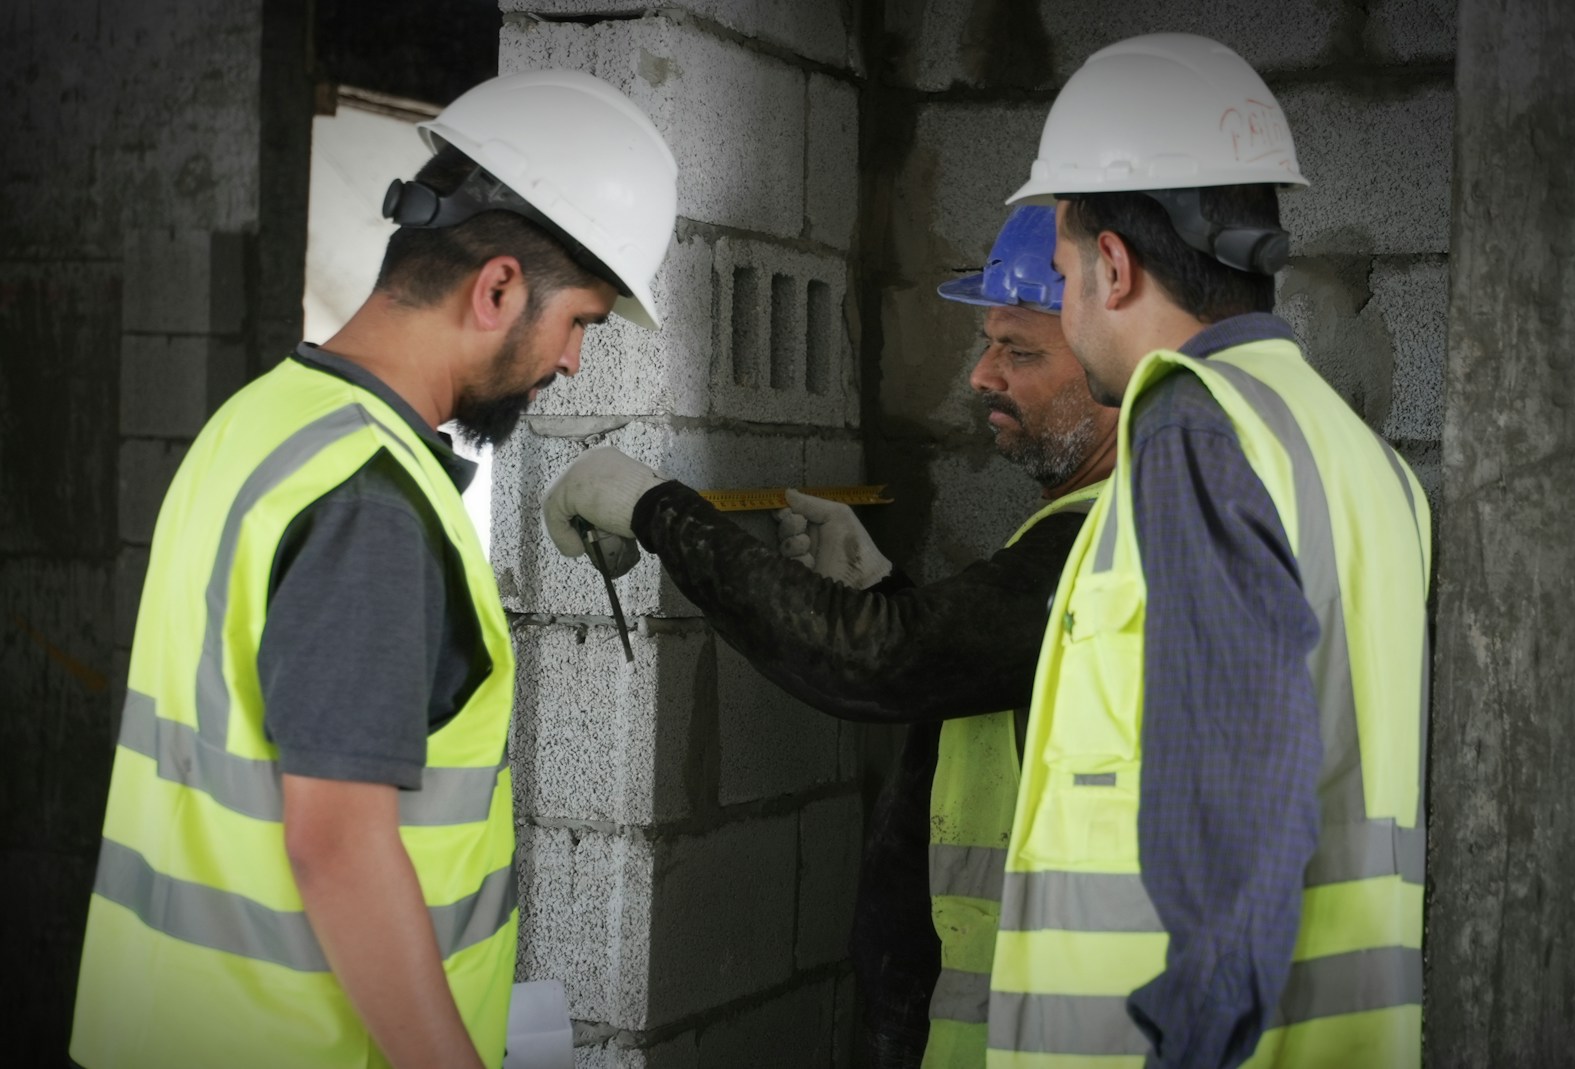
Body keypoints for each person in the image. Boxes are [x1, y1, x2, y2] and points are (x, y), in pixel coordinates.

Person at [68, 71, 677, 1069]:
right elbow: (338, 842)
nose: (571, 362)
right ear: (497, 290)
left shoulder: (263, 418)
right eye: (581, 322)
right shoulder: (369, 500)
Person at [538, 205, 1118, 1068]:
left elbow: (880, 661)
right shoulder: (1078, 525)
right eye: (988, 343)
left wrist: (659, 509)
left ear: (1116, 365)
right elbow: (986, 682)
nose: (982, 376)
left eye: (1020, 351)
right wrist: (885, 592)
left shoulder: (1108, 538)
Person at [987, 33, 1431, 1068]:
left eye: (1058, 276)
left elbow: (1244, 798)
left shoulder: (1193, 428)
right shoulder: (1355, 456)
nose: (1060, 305)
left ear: (1111, 264)